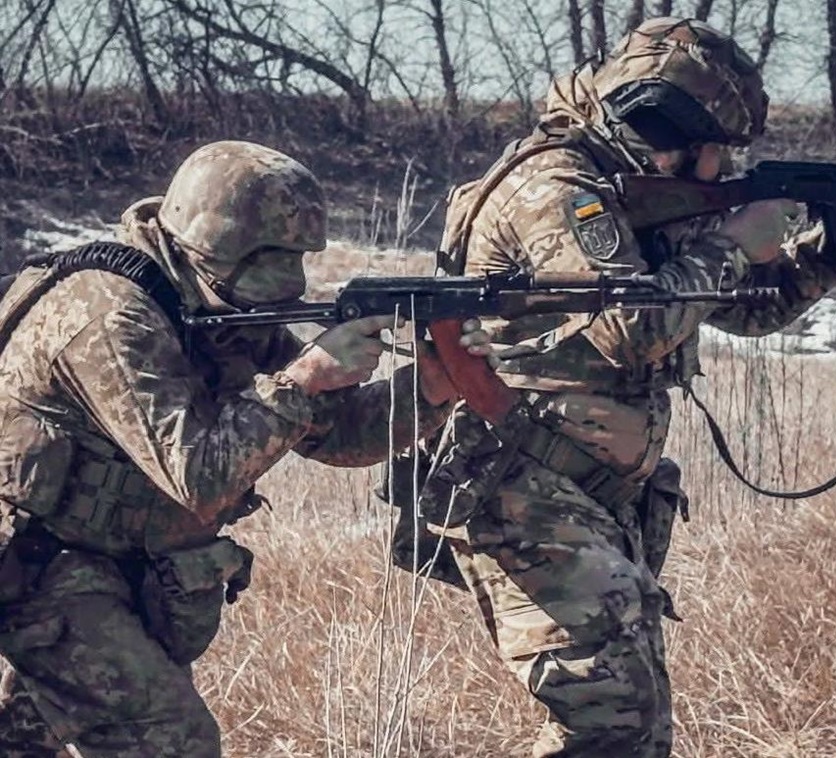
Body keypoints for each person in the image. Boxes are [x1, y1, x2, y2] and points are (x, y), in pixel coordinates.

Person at [411, 17, 836, 757]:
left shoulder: (637, 191)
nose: (721, 166)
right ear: (663, 124)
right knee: (608, 725)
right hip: (525, 488)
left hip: (590, 495)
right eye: (714, 146)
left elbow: (747, 309)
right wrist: (733, 243)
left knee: (636, 729)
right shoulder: (555, 186)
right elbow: (629, 328)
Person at [0, 140, 490, 757]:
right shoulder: (109, 316)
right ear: (210, 247)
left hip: (116, 560)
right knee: (171, 741)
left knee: (27, 739)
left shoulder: (215, 301)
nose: (288, 285)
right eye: (269, 266)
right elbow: (199, 478)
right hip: (40, 562)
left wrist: (431, 387)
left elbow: (335, 434)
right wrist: (303, 379)